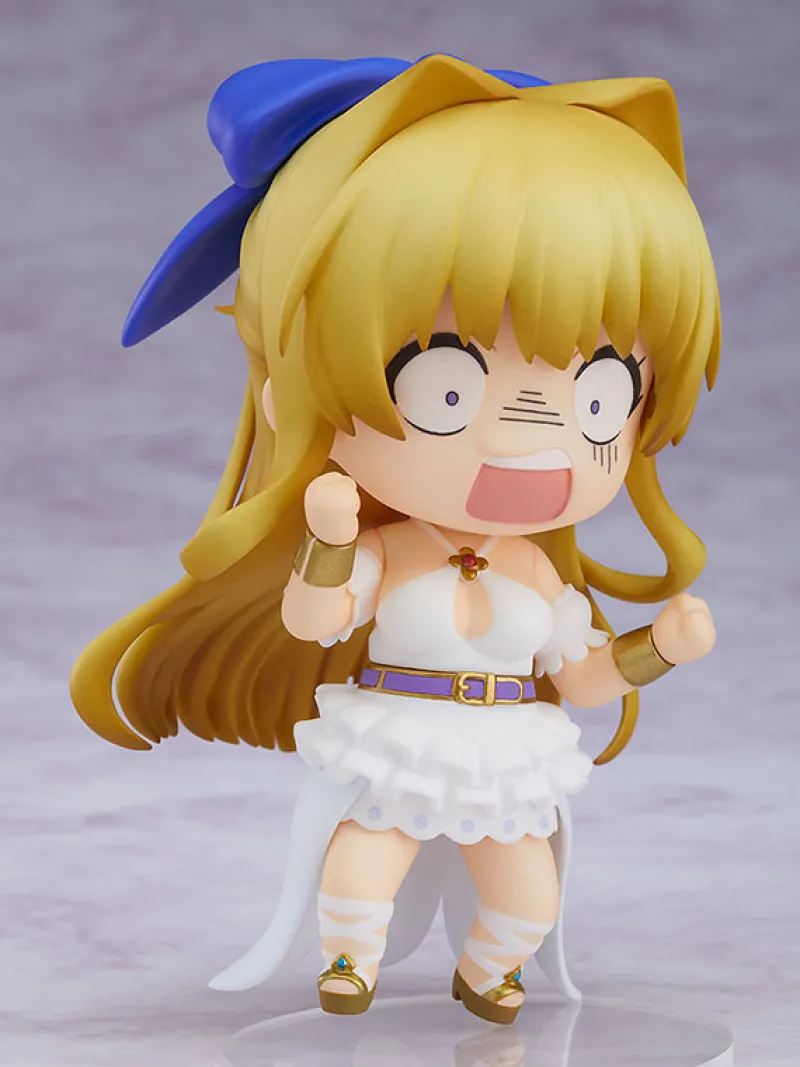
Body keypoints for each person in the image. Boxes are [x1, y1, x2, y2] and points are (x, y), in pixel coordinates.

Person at [71, 54, 719, 1025]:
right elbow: (315, 617)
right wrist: (330, 538)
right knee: (366, 852)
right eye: (447, 387)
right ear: (295, 393)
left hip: (503, 745)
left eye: (599, 395)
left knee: (527, 887)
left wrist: (657, 648)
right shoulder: (395, 552)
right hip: (402, 730)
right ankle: (349, 958)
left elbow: (584, 677)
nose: (532, 437)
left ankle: (492, 970)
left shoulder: (536, 574)